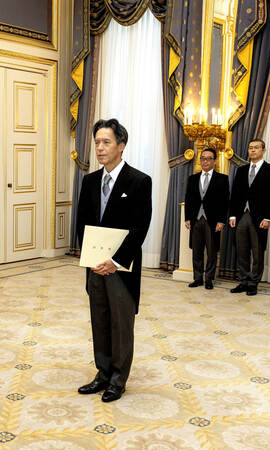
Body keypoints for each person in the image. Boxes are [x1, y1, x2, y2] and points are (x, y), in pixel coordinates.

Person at [75, 118, 152, 403]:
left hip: (122, 268)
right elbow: (82, 224)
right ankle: (103, 373)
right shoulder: (90, 180)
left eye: (106, 142)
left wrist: (115, 260)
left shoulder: (139, 181)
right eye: (96, 142)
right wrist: (92, 258)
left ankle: (118, 380)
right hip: (95, 266)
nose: (100, 147)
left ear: (121, 145)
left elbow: (140, 227)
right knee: (100, 320)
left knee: (121, 324)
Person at [229, 139, 270, 295]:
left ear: (263, 150)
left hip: (260, 217)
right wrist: (232, 215)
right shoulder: (242, 170)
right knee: (241, 250)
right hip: (241, 215)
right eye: (250, 148)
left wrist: (268, 218)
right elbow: (235, 194)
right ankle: (244, 281)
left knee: (258, 252)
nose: (252, 150)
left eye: (256, 148)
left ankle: (253, 283)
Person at [184, 147, 229, 289]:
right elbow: (189, 199)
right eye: (203, 158)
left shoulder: (222, 179)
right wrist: (187, 218)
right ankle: (197, 278)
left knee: (211, 251)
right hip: (196, 219)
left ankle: (209, 279)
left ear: (215, 161)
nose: (205, 161)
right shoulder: (193, 178)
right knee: (196, 250)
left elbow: (224, 201)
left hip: (213, 220)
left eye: (209, 158)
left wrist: (221, 220)